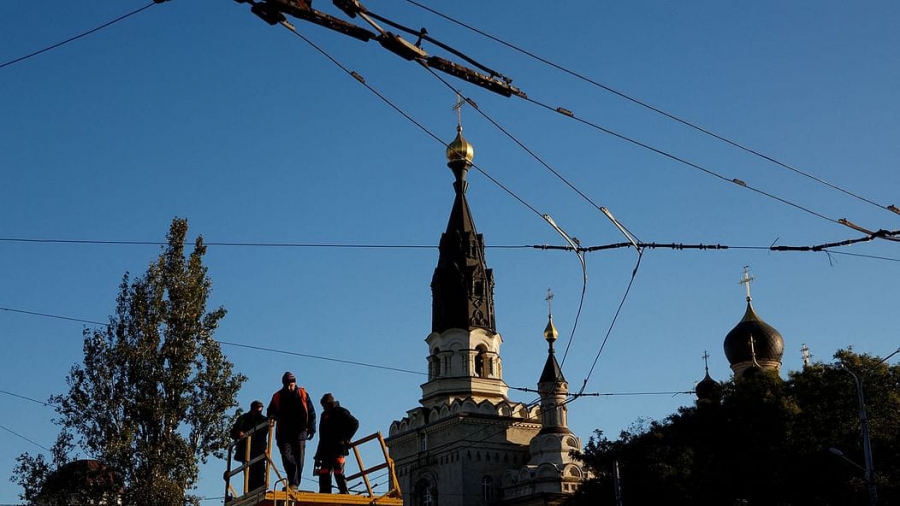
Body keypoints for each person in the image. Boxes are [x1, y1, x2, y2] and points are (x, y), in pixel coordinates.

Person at [267, 371, 316, 491]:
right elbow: (270, 410)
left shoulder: (303, 394)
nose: (289, 387)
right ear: (283, 384)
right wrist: (272, 416)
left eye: (291, 384)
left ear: (295, 383)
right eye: (287, 384)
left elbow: (311, 412)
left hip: (300, 432)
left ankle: (294, 483)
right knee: (286, 456)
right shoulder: (277, 396)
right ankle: (293, 481)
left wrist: (312, 428)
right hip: (283, 433)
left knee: (299, 459)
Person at [314, 393, 359, 494]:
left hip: (338, 448)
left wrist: (347, 438)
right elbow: (322, 437)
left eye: (324, 406)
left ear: (328, 404)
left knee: (338, 472)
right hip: (326, 451)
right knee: (324, 473)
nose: (323, 408)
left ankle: (344, 493)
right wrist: (318, 455)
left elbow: (355, 423)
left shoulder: (341, 412)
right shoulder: (324, 415)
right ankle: (325, 494)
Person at [229, 400, 268, 492]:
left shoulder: (264, 419)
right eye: (257, 408)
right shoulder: (243, 418)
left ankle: (260, 491)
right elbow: (233, 432)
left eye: (260, 408)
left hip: (259, 449)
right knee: (249, 473)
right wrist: (239, 433)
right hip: (245, 450)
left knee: (260, 472)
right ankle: (251, 492)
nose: (259, 410)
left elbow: (264, 432)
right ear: (252, 408)